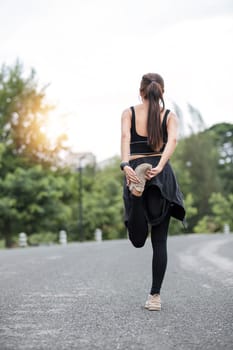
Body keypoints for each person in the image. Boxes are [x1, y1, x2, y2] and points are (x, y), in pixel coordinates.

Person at [120, 73, 185, 311]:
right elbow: (173, 141)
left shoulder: (128, 112)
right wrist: (160, 165)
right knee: (160, 241)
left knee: (138, 240)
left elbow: (126, 138)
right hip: (160, 176)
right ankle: (155, 297)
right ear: (162, 92)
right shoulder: (169, 116)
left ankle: (137, 195)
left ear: (141, 92)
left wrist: (126, 166)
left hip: (136, 171)